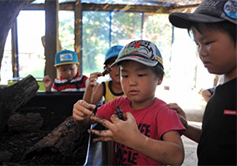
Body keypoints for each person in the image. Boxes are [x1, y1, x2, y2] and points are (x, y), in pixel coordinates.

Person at [73, 40, 185, 165]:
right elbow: (89, 120)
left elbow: (177, 157)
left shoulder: (165, 112)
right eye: (125, 76)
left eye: (141, 74)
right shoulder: (117, 105)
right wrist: (80, 115)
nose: (131, 82)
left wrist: (136, 140)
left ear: (159, 78)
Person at [168, 0, 236, 165]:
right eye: (197, 44)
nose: (201, 52)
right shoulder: (221, 90)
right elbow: (217, 143)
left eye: (208, 43)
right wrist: (184, 128)